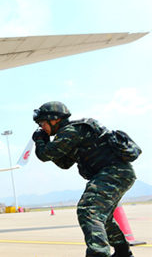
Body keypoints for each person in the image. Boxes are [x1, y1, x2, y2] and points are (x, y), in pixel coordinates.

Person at [32, 101, 137, 257]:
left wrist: (41, 141)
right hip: (118, 173)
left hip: (114, 172)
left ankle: (98, 253)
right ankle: (122, 252)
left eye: (42, 123)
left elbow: (45, 154)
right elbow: (65, 163)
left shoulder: (72, 130)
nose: (42, 127)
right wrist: (47, 144)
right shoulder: (70, 133)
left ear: (54, 119)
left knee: (88, 209)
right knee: (103, 217)